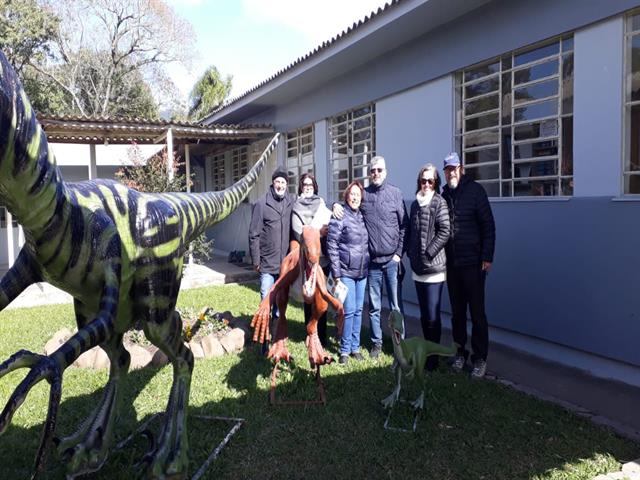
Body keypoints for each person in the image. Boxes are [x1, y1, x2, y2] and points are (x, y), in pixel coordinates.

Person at [333, 156, 408, 359]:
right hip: (372, 264)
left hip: (392, 261)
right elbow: (349, 203)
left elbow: (404, 227)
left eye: (379, 170)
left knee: (395, 307)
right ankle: (376, 344)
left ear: (386, 172)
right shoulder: (364, 195)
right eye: (373, 170)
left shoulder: (396, 194)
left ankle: (399, 345)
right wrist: (334, 204)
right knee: (374, 308)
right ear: (370, 173)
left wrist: (399, 254)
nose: (376, 173)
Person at [441, 152, 496, 379]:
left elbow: (488, 227)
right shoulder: (443, 194)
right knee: (457, 314)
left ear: (461, 169)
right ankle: (459, 353)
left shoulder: (475, 191)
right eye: (447, 169)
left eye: (454, 168)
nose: (451, 172)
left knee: (477, 313)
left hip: (474, 264)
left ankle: (480, 358)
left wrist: (487, 257)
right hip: (452, 265)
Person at [406, 164, 450, 372]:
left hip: (434, 270)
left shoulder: (439, 202)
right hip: (418, 269)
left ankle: (433, 358)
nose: (426, 184)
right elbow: (412, 232)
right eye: (423, 180)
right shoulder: (415, 204)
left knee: (433, 316)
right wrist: (410, 254)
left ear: (436, 183)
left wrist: (428, 253)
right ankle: (427, 351)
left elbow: (445, 231)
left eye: (430, 181)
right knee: (424, 316)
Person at [249, 168, 296, 349]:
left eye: (283, 182)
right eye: (278, 182)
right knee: (266, 301)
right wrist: (256, 261)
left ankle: (277, 339)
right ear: (273, 183)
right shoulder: (262, 204)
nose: (281, 185)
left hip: (284, 266)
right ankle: (264, 341)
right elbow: (254, 234)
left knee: (280, 304)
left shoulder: (290, 202)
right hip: (267, 264)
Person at [327, 181, 369, 365]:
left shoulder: (362, 216)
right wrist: (336, 272)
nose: (355, 197)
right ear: (346, 196)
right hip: (345, 271)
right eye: (352, 194)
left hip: (362, 272)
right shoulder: (339, 216)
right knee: (349, 310)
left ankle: (355, 348)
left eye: (358, 195)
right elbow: (332, 244)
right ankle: (344, 350)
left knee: (359, 310)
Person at [291, 173, 332, 346]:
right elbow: (298, 231)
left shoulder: (320, 203)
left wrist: (319, 230)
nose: (308, 186)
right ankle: (310, 334)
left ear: (315, 186)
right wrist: (317, 231)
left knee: (322, 297)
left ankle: (322, 335)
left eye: (310, 184)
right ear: (300, 187)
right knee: (308, 298)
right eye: (305, 184)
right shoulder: (296, 206)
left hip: (322, 259)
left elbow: (328, 225)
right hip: (307, 259)